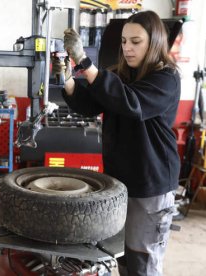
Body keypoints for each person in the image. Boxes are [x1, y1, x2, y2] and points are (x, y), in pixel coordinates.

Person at [59, 10, 180, 276]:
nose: (127, 47)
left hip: (150, 182)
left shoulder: (166, 78)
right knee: (122, 255)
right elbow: (90, 103)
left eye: (135, 42)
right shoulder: (121, 75)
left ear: (155, 42)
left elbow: (130, 103)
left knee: (143, 261)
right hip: (119, 181)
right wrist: (67, 79)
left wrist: (84, 62)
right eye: (124, 41)